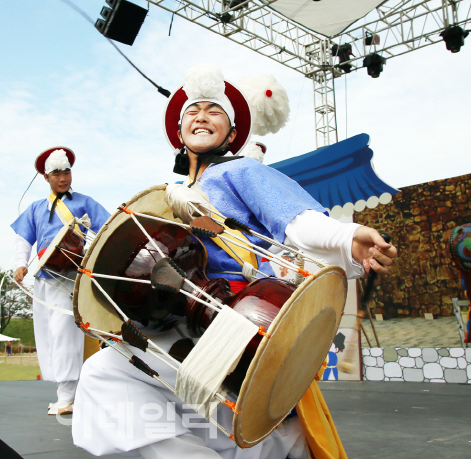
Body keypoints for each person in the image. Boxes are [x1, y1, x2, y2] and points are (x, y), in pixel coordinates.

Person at [72, 64, 397, 458]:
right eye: (192, 111)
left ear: (231, 134)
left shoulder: (241, 170)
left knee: (115, 378)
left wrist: (345, 237)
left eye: (214, 111)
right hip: (186, 320)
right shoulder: (172, 194)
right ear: (179, 133)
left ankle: (285, 437)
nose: (201, 116)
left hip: (242, 314)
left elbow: (293, 218)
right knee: (109, 376)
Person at [11, 147, 110, 415]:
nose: (63, 177)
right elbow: (23, 238)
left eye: (66, 171)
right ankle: (66, 393)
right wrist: (21, 263)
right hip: (44, 276)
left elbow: (108, 228)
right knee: (47, 333)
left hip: (71, 277)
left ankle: (68, 396)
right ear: (46, 177)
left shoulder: (85, 202)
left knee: (64, 332)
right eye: (56, 172)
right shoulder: (35, 208)